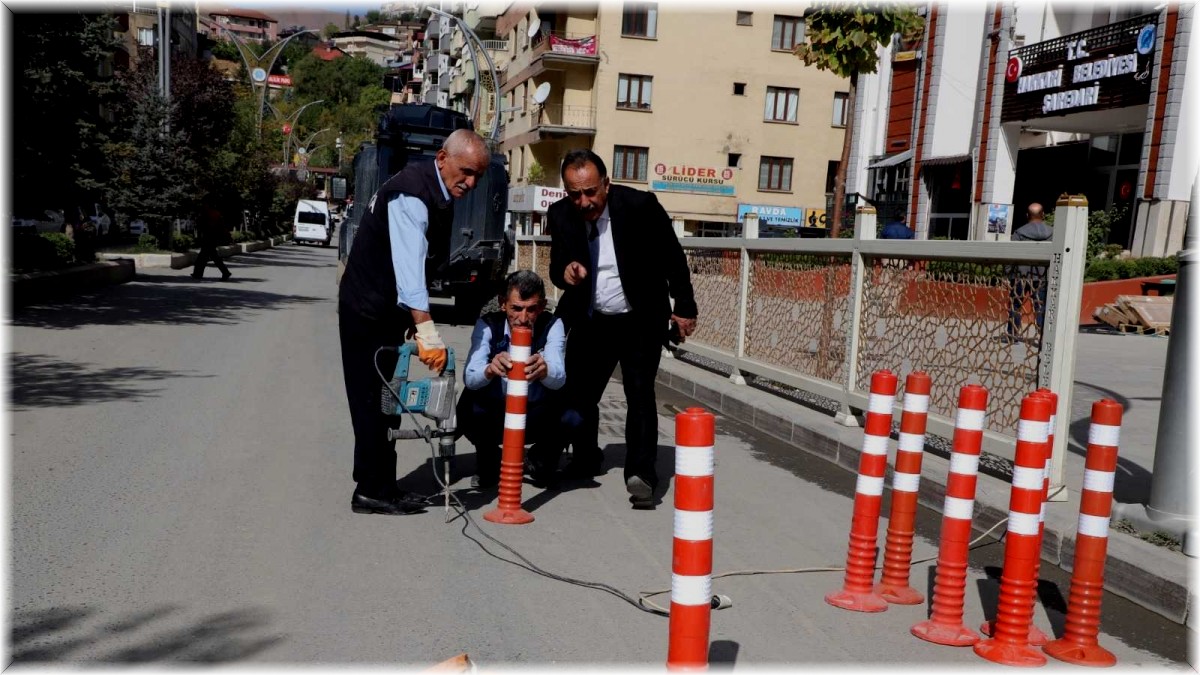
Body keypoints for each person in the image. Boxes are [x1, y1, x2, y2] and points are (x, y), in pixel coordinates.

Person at [338, 129, 491, 516]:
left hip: (384, 308)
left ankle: (380, 482)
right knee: (372, 401)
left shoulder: (435, 189)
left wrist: (409, 321)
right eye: (466, 171)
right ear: (442, 158)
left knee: (386, 401)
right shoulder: (412, 195)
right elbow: (409, 271)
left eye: (478, 176)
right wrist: (426, 331)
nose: (471, 183)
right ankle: (371, 490)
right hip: (367, 307)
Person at [547, 149, 698, 508]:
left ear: (606, 185)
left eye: (591, 192)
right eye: (574, 194)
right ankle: (584, 458)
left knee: (640, 394)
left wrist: (685, 308)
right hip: (592, 317)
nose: (584, 202)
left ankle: (642, 475)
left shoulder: (641, 206)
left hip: (639, 317)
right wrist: (564, 273)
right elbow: (555, 266)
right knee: (580, 394)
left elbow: (673, 258)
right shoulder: (560, 214)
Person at [457, 270, 579, 489]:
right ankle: (489, 459)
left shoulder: (552, 325)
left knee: (574, 413)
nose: (523, 319)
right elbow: (471, 377)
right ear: (503, 303)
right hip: (496, 412)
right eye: (516, 308)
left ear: (541, 306)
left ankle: (540, 458)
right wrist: (489, 370)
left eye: (531, 309)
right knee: (468, 407)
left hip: (535, 413)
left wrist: (545, 370)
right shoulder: (487, 325)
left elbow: (559, 377)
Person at [1006, 202, 1054, 341]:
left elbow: (1011, 256)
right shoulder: (1052, 233)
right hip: (1042, 276)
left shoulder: (1019, 233)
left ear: (1027, 215)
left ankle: (1012, 334)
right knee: (1040, 306)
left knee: (1015, 305)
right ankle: (1043, 334)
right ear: (1043, 215)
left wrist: (1008, 274)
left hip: (1020, 275)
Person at [191, 206, 232, 280]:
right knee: (205, 257)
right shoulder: (215, 213)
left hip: (209, 237)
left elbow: (203, 226)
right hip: (213, 238)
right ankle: (197, 273)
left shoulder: (207, 213)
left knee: (206, 257)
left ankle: (225, 272)